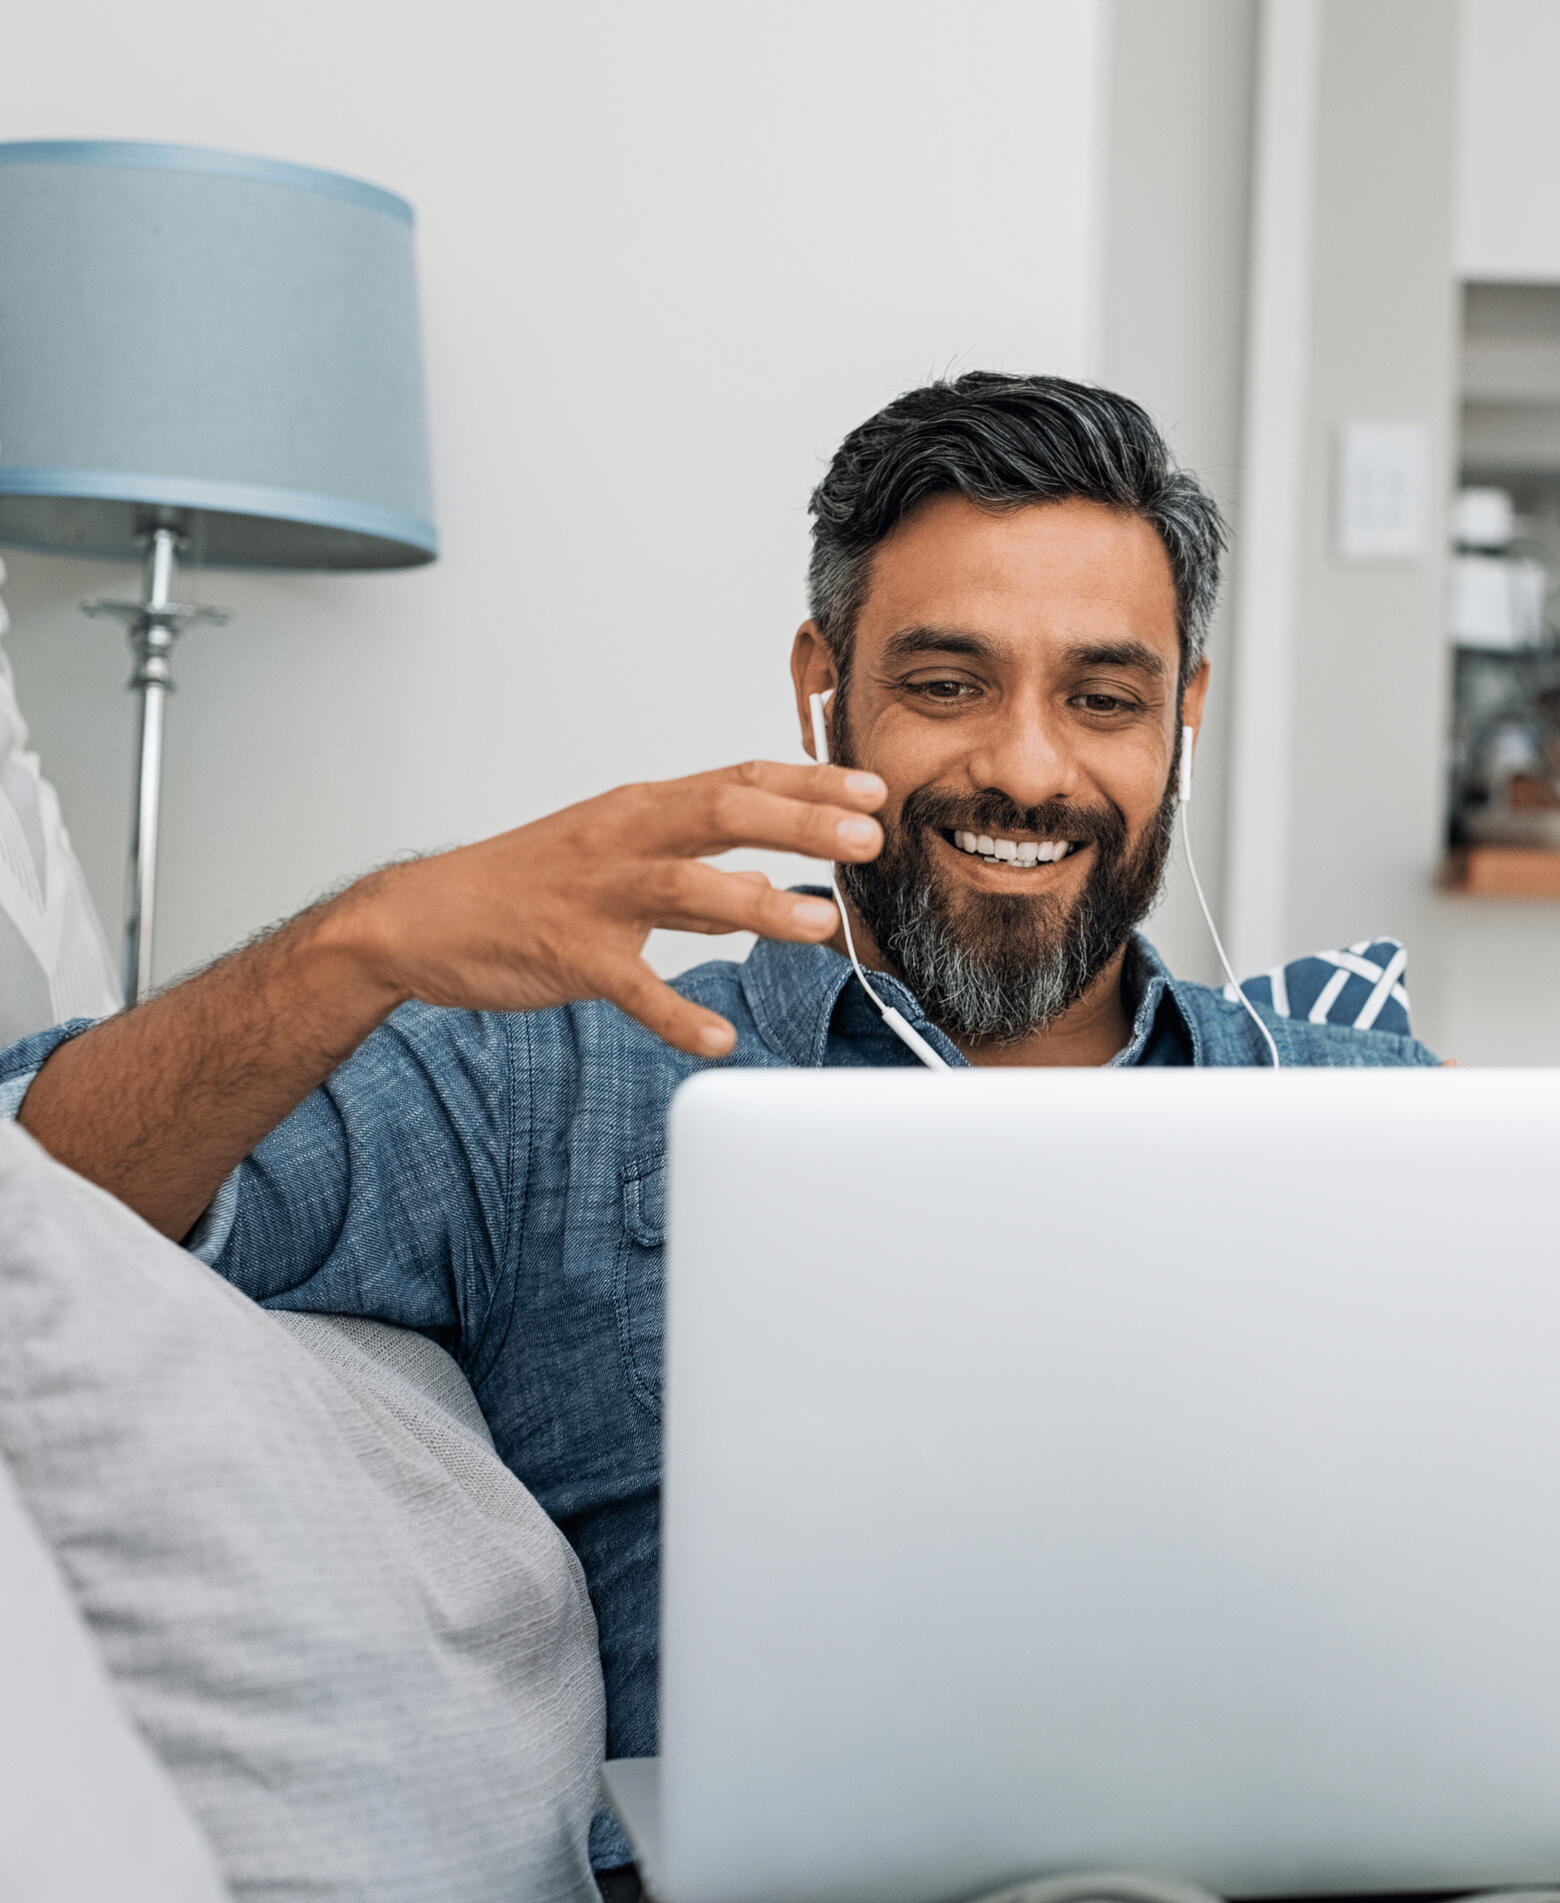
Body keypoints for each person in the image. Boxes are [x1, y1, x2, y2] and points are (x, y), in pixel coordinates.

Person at [0, 373, 1441, 1885]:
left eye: (1104, 698)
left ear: (1182, 712)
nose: (1028, 767)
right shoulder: (551, 1073)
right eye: (948, 686)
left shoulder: (1375, 1112)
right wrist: (362, 939)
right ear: (824, 686)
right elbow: (43, 1201)